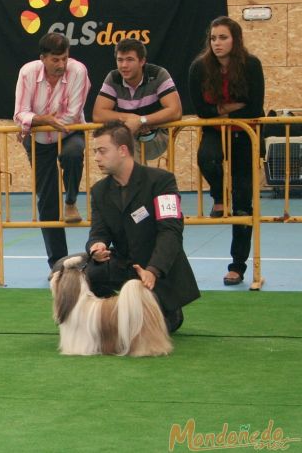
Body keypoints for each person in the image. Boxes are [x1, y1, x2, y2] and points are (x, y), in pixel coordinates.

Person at [85, 121, 200, 333]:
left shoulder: (162, 181)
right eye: (95, 152)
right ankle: (107, 316)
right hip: (125, 266)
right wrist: (97, 246)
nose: (96, 158)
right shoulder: (99, 191)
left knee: (148, 329)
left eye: (102, 151)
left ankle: (168, 309)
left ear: (122, 150)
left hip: (158, 273)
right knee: (88, 271)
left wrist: (153, 271)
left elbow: (171, 232)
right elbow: (99, 231)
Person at [188, 16, 264, 286]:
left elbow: (254, 107)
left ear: (236, 39)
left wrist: (220, 110)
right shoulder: (199, 68)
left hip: (245, 134)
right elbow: (201, 110)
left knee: (244, 201)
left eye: (223, 37)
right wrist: (229, 108)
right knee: (207, 158)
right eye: (213, 38)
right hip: (215, 130)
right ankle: (219, 196)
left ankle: (238, 265)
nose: (217, 43)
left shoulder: (251, 64)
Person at [13, 32, 91, 268]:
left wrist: (36, 120)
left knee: (73, 153)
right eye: (55, 60)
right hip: (37, 139)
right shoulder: (27, 72)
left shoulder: (78, 71)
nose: (61, 65)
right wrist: (45, 119)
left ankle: (71, 199)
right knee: (47, 201)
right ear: (43, 58)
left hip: (69, 132)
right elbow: (19, 113)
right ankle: (58, 264)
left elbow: (73, 113)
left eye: (64, 59)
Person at [92, 38, 182, 161]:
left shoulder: (158, 74)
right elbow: (98, 114)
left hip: (157, 135)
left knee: (124, 145)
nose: (124, 65)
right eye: (120, 60)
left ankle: (134, 179)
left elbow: (175, 111)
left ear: (142, 61)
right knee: (120, 144)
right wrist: (129, 118)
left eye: (129, 60)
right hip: (127, 134)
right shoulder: (113, 77)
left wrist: (142, 120)